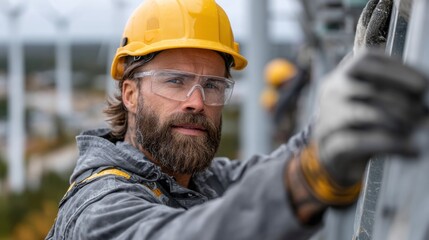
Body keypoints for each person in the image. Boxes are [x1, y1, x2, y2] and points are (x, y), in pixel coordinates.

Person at [46, 0, 428, 239]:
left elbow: (285, 165)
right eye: (175, 81)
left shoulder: (202, 182)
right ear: (130, 94)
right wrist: (306, 180)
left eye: (212, 85)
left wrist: (354, 82)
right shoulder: (99, 208)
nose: (197, 101)